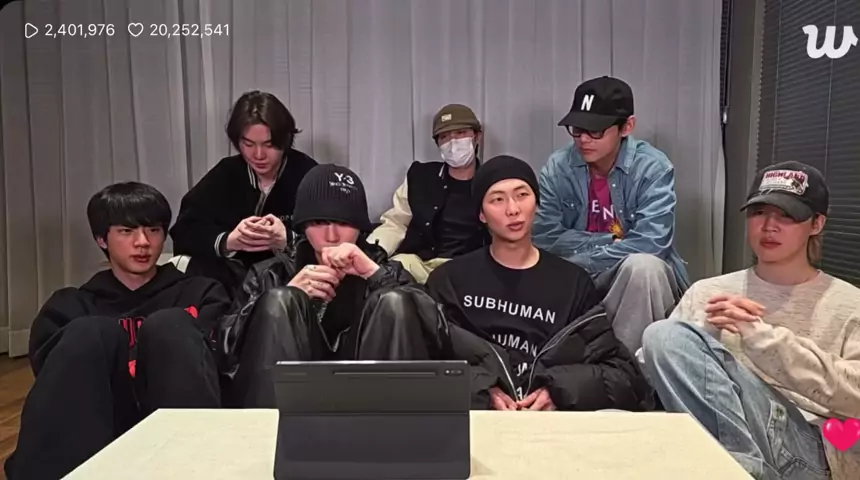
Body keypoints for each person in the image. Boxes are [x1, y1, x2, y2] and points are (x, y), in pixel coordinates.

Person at [640, 161, 859, 480]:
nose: (769, 226)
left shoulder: (850, 303)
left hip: (808, 453)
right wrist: (702, 343)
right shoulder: (708, 292)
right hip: (728, 440)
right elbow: (653, 376)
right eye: (759, 213)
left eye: (787, 215)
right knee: (658, 346)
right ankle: (739, 469)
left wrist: (765, 342)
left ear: (816, 223)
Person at [5, 182, 230, 480]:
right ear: (102, 239)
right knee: (90, 332)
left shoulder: (202, 294)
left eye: (153, 230)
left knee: (170, 325)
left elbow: (220, 371)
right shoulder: (68, 307)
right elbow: (54, 390)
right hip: (97, 428)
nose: (143, 242)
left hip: (178, 433)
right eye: (126, 231)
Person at [427, 155, 653, 411]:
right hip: (474, 419)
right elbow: (422, 364)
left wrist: (559, 392)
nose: (513, 209)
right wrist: (478, 391)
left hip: (552, 421)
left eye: (522, 195)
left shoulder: (572, 283)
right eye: (497, 199)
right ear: (481, 214)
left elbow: (621, 375)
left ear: (536, 202)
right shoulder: (449, 281)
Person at [219, 164, 448, 408]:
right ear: (303, 226)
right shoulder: (270, 274)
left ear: (360, 227)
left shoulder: (386, 270)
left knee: (395, 300)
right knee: (280, 300)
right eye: (319, 222)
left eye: (343, 222)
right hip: (291, 399)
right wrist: (287, 296)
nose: (331, 235)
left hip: (370, 398)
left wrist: (376, 276)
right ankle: (273, 431)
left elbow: (440, 336)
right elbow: (225, 352)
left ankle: (389, 430)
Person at [533, 75, 689, 354]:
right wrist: (607, 241)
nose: (583, 139)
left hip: (626, 276)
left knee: (643, 267)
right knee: (535, 269)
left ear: (626, 126)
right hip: (575, 273)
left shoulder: (652, 167)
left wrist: (583, 257)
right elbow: (544, 237)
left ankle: (628, 373)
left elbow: (652, 244)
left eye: (595, 131)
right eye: (577, 129)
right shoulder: (558, 166)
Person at [170, 91, 317, 296]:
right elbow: (184, 230)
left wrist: (288, 239)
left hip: (290, 282)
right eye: (248, 144)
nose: (258, 155)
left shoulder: (308, 174)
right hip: (230, 282)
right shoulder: (226, 173)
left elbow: (337, 238)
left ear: (285, 140)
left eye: (269, 145)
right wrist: (228, 241)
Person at [367, 104, 488, 283]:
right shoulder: (420, 177)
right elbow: (397, 222)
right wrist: (372, 250)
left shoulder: (492, 180)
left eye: (460, 133)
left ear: (477, 136)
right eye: (444, 137)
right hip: (420, 266)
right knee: (390, 274)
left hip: (469, 269)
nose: (453, 142)